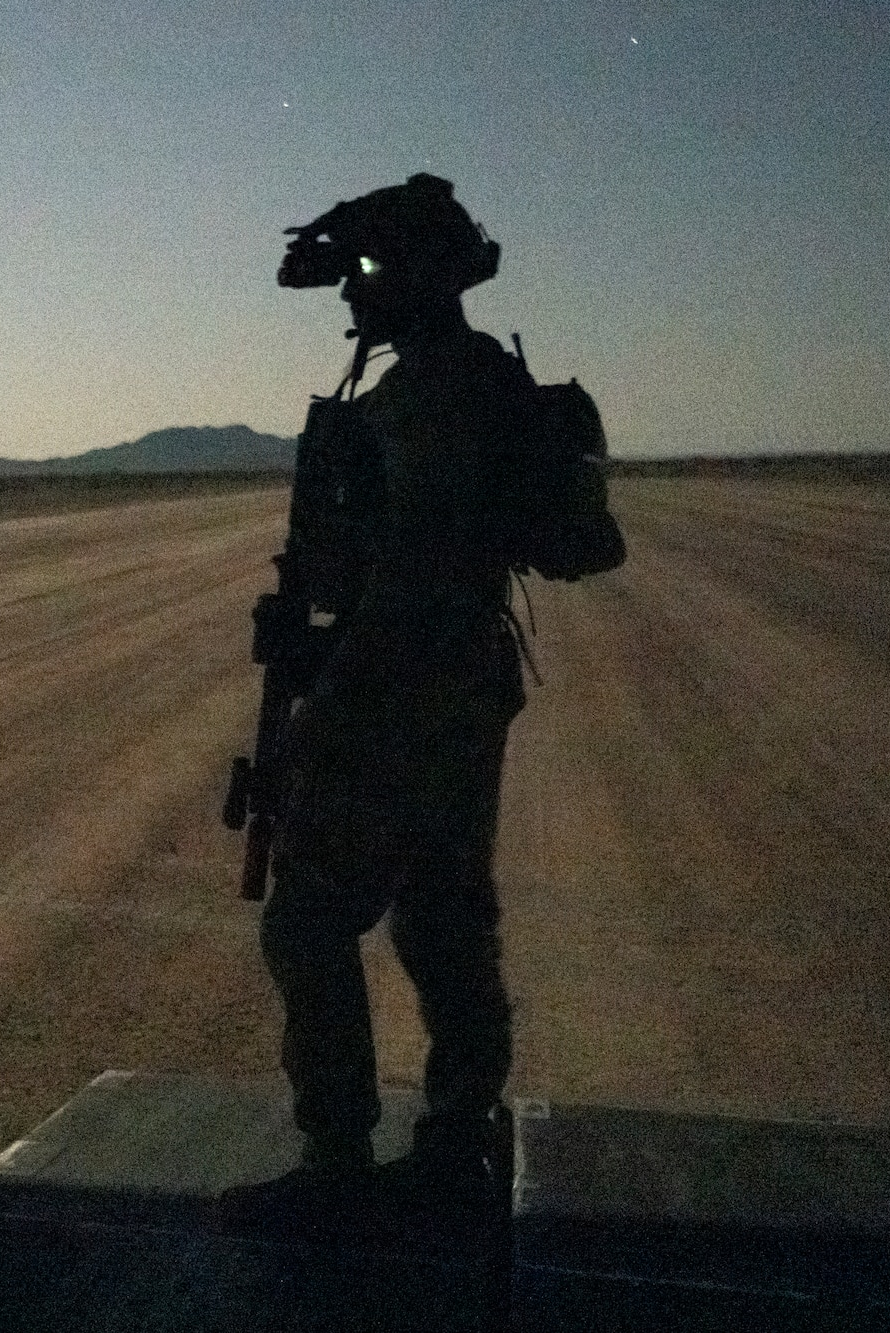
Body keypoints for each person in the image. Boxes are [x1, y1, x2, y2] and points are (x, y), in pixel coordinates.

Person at [259, 174, 533, 1204]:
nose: (351, 299)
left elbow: (410, 571)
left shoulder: (426, 397)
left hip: (400, 683)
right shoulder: (476, 380)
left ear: (417, 278)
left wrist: (323, 707)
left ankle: (337, 1156)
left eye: (367, 275)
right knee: (439, 913)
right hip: (460, 678)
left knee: (309, 922)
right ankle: (459, 1126)